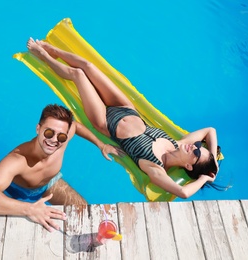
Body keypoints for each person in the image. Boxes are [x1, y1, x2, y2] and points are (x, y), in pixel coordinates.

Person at [26, 38, 220, 199]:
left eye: (196, 153)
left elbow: (183, 193)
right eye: (198, 147)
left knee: (78, 74)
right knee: (88, 66)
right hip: (126, 108)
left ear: (188, 165)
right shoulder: (178, 143)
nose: (194, 146)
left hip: (105, 121)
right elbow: (210, 130)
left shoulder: (156, 168)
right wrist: (214, 161)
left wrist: (204, 179)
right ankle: (54, 50)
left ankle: (43, 55)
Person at [0, 104, 123, 232]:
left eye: (61, 136)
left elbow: (75, 126)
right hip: (18, 192)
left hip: (51, 184)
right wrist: (28, 209)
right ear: (38, 129)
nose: (54, 140)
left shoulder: (64, 137)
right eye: (48, 132)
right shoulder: (18, 160)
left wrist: (100, 144)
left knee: (87, 214)